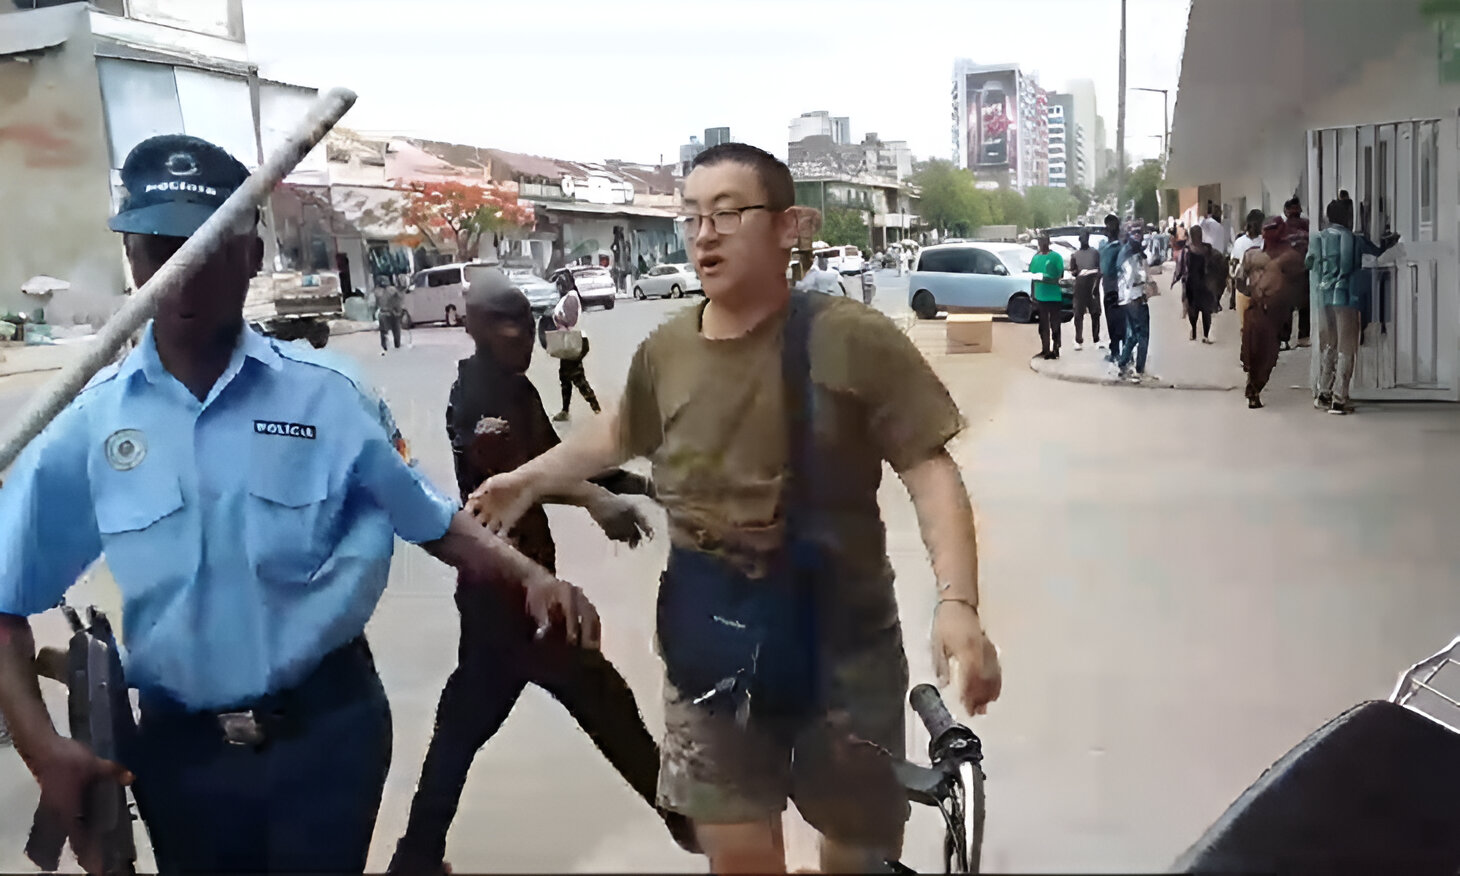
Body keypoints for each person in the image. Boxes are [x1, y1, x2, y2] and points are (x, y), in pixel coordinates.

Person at [0, 135, 597, 875]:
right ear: (133, 260)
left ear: (251, 256)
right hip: (180, 759)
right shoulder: (90, 424)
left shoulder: (332, 395)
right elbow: (5, 602)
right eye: (158, 250)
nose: (179, 277)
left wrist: (532, 577)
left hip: (328, 737)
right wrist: (42, 749)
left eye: (205, 248)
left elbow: (429, 519)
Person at [470, 142, 1002, 874]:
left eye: (727, 212)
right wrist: (527, 478)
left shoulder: (852, 338)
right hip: (709, 648)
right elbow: (620, 430)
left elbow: (927, 468)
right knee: (740, 856)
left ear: (790, 227)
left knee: (858, 854)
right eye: (692, 217)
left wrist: (958, 604)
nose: (704, 233)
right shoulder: (667, 349)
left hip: (842, 653)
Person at [389, 271, 694, 873]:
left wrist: (647, 488)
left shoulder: (515, 389)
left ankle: (416, 856)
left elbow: (559, 458)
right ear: (472, 326)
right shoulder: (480, 401)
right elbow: (525, 483)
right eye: (504, 323)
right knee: (601, 701)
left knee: (464, 725)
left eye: (527, 322)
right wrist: (595, 502)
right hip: (509, 588)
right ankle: (691, 824)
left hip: (510, 588)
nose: (521, 335)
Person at [1242, 216, 1305, 409]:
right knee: (1253, 353)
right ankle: (1253, 388)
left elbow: (1299, 283)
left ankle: (1255, 388)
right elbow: (1240, 279)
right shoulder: (1252, 255)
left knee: (1267, 355)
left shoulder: (1289, 256)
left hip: (1274, 314)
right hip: (1257, 310)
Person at [1307, 200, 1361, 415]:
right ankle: (1340, 398)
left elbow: (1309, 263)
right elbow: (1349, 265)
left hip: (1323, 294)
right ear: (1347, 216)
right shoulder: (1349, 237)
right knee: (1346, 345)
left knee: (1329, 342)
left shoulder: (1317, 237)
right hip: (1344, 294)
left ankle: (1323, 392)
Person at [550, 271, 600, 422]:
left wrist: (557, 318)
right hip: (569, 341)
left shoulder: (571, 297)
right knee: (565, 376)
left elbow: (571, 321)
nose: (559, 287)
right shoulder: (568, 297)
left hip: (574, 341)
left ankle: (597, 408)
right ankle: (565, 410)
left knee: (577, 378)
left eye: (561, 283)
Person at [1115, 222, 1152, 383]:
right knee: (1143, 334)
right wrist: (1147, 282)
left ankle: (1123, 363)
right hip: (1135, 298)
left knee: (1134, 334)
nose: (1138, 236)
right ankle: (1139, 369)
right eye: (1136, 233)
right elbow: (1135, 277)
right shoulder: (1132, 255)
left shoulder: (1126, 251)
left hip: (1126, 299)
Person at [1229, 209, 1266, 348]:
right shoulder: (1265, 243)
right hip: (1260, 290)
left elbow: (1233, 269)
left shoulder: (1240, 242)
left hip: (1243, 289)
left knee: (1245, 325)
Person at [1281, 197, 1313, 349]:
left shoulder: (1282, 229)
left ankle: (1285, 339)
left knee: (1286, 306)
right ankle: (1303, 336)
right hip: (1304, 270)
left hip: (1287, 272)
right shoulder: (1308, 226)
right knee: (1304, 304)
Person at [1030, 233, 1065, 360]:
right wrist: (1033, 296)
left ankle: (1056, 349)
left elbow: (1060, 275)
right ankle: (1045, 349)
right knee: (1043, 325)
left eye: (1044, 241)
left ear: (1048, 242)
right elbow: (1032, 277)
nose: (1042, 244)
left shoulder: (1056, 257)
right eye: (1040, 241)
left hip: (1054, 296)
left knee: (1055, 324)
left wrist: (1047, 278)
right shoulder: (1035, 258)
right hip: (1040, 297)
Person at [1180, 225, 1217, 344]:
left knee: (1206, 311)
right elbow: (1182, 267)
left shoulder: (1208, 248)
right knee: (1193, 310)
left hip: (1205, 284)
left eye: (1200, 234)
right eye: (1196, 235)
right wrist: (1180, 282)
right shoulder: (1187, 250)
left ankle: (1206, 335)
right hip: (1192, 284)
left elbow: (1214, 264)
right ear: (1192, 235)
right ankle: (1194, 329)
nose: (1198, 237)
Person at [1098, 214, 1127, 363]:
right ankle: (1119, 351)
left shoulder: (1113, 247)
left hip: (1115, 290)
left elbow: (1105, 269)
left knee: (1116, 322)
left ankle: (1118, 352)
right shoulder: (1117, 246)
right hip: (1114, 289)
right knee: (1117, 322)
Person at [1068, 229, 1103, 351]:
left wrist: (1096, 283)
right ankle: (1078, 339)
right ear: (1079, 239)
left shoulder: (1095, 253)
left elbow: (1100, 270)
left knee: (1095, 313)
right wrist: (1076, 272)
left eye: (1086, 237)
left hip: (1092, 285)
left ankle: (1096, 339)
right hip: (1080, 285)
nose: (1084, 240)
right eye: (1082, 237)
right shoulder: (1075, 255)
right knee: (1078, 313)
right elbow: (1072, 270)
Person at [377, 279, 406, 355]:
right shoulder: (393, 290)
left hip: (385, 312)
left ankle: (385, 346)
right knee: (395, 329)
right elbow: (398, 301)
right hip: (391, 312)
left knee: (384, 331)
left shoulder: (378, 291)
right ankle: (396, 344)